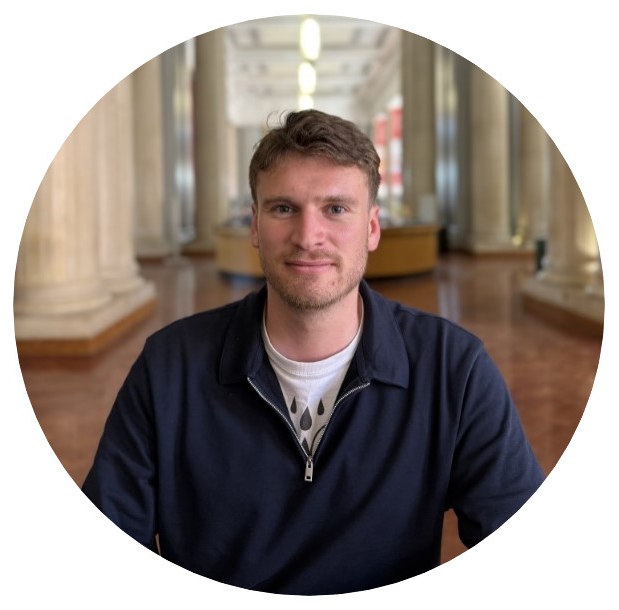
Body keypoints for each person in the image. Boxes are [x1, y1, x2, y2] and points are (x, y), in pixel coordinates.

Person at [82, 109, 545, 595]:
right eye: (284, 208)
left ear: (372, 228)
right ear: (255, 225)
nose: (308, 237)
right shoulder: (167, 368)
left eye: (336, 209)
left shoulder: (454, 369)